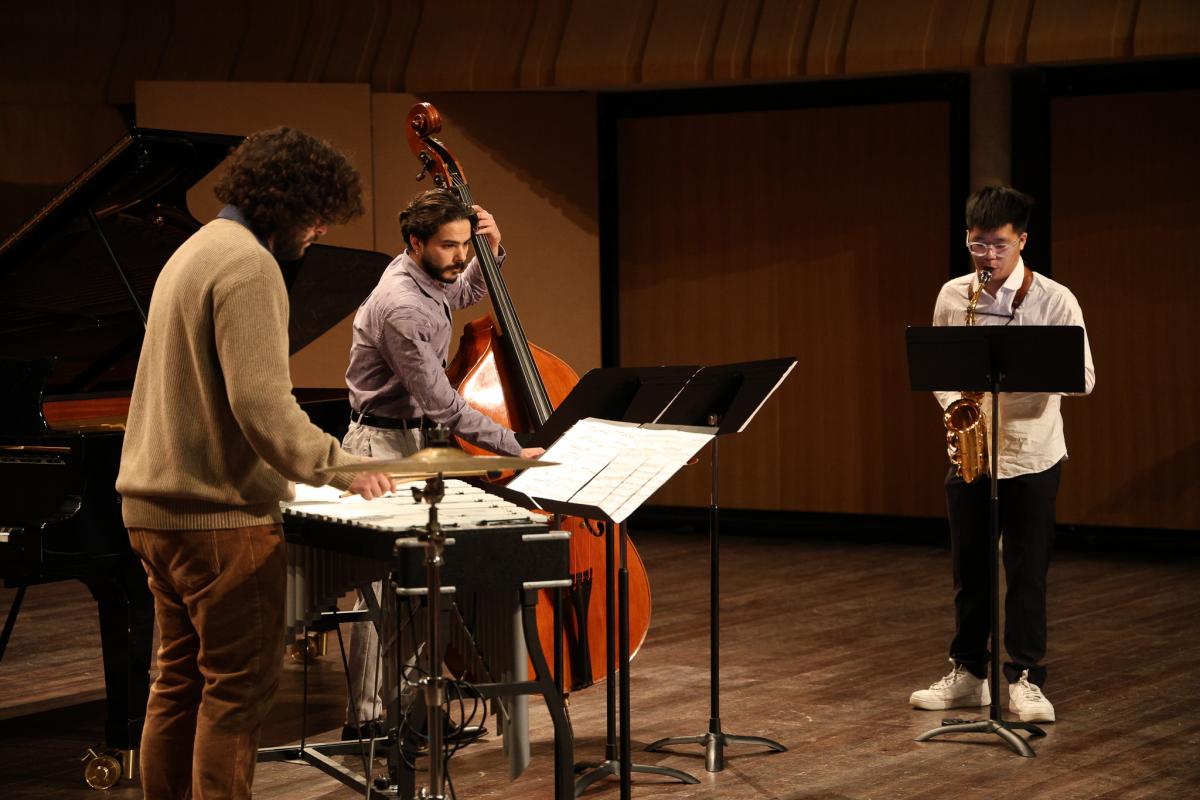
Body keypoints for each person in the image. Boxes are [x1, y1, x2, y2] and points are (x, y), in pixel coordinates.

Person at [116, 126, 393, 799]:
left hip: (154, 515)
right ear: (289, 201)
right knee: (236, 697)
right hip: (219, 524)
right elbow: (263, 407)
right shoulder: (249, 266)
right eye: (319, 213)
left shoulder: (193, 250)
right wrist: (342, 467)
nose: (322, 229)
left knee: (177, 684)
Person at [339, 188, 544, 736]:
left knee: (423, 584)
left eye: (464, 244)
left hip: (411, 444)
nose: (460, 256)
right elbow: (444, 406)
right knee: (387, 589)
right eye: (450, 246)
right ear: (415, 242)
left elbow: (464, 288)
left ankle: (410, 712)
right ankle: (367, 723)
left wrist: (490, 251)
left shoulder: (426, 275)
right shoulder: (403, 307)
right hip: (381, 449)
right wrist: (512, 445)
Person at [909, 185, 1095, 724]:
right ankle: (969, 673)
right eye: (977, 245)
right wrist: (956, 406)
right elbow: (940, 371)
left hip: (1032, 452)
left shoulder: (1054, 300)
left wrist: (1018, 375)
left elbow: (1084, 378)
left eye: (998, 246)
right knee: (969, 568)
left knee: (1026, 569)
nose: (987, 257)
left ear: (1022, 241)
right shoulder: (954, 295)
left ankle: (1026, 678)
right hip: (972, 451)